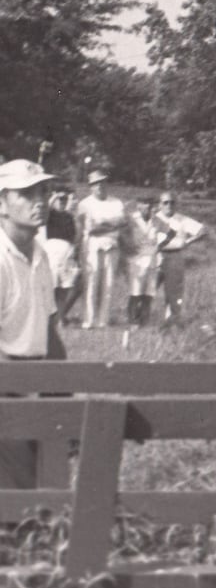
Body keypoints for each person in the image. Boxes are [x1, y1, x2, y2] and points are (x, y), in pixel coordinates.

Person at [0, 160, 65, 489]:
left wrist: (63, 395)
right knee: (23, 501)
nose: (39, 200)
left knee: (49, 494)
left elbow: (50, 330)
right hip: (6, 393)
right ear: (1, 203)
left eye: (43, 191)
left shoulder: (40, 254)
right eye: (26, 193)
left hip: (36, 389)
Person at [74, 170, 126, 328]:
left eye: (102, 182)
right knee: (91, 283)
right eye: (96, 183)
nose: (100, 186)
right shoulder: (84, 204)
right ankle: (88, 320)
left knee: (108, 284)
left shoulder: (116, 203)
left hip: (112, 246)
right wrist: (111, 223)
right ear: (90, 186)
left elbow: (123, 222)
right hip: (91, 247)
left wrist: (102, 223)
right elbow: (90, 229)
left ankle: (103, 320)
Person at [151, 191, 206, 323]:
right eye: (165, 202)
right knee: (149, 289)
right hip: (156, 256)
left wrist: (187, 242)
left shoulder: (182, 219)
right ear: (160, 204)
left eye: (172, 202)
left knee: (174, 292)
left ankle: (171, 322)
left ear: (176, 204)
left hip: (176, 256)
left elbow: (203, 230)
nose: (169, 205)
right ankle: (142, 320)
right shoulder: (153, 219)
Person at [40, 187, 81, 324]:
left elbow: (74, 236)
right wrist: (54, 196)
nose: (62, 202)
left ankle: (60, 317)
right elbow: (45, 210)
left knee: (65, 287)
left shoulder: (69, 217)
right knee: (52, 286)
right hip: (53, 251)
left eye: (65, 199)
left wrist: (74, 252)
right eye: (60, 199)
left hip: (67, 252)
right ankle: (48, 316)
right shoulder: (50, 215)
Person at [124, 196, 162, 326]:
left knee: (149, 294)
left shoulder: (157, 221)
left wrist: (161, 246)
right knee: (135, 293)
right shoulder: (131, 218)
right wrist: (128, 245)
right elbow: (120, 232)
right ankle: (132, 322)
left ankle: (145, 322)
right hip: (136, 260)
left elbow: (171, 232)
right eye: (146, 204)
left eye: (152, 205)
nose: (150, 207)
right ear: (138, 205)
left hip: (152, 261)